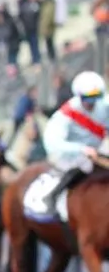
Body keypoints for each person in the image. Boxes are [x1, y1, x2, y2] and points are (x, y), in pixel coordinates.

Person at [41, 71, 109, 213]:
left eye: (96, 98)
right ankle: (52, 196)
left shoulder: (103, 105)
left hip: (97, 151)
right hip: (69, 155)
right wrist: (81, 149)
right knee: (83, 164)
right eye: (88, 99)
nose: (92, 103)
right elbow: (53, 142)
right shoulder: (66, 114)